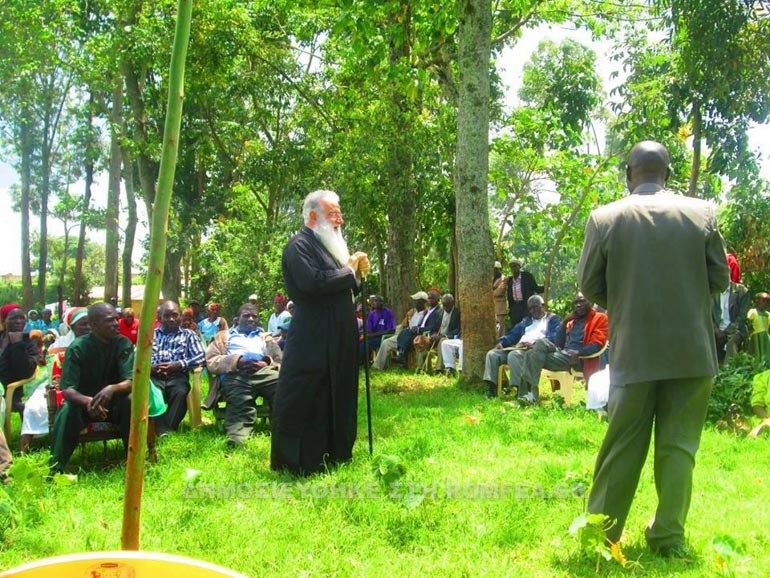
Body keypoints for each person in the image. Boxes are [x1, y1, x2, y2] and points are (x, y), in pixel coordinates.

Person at [578, 140, 730, 556]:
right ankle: (668, 538)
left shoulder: (604, 218)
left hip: (635, 351)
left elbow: (590, 285)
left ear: (629, 174)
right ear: (667, 173)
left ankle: (602, 536)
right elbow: (720, 279)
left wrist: (627, 300)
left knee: (622, 444)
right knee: (679, 447)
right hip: (693, 352)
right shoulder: (702, 214)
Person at [271, 189, 370, 475]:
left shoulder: (331, 246)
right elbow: (314, 283)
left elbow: (345, 288)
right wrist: (349, 271)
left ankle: (338, 452)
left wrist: (358, 275)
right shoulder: (297, 246)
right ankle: (300, 461)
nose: (339, 219)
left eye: (339, 212)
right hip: (312, 335)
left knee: (339, 390)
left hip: (340, 334)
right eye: (332, 213)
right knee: (307, 393)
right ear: (313, 216)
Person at [49, 303, 135, 472]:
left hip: (114, 404)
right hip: (83, 405)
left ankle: (134, 461)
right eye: (110, 321)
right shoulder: (78, 347)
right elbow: (68, 390)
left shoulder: (123, 343)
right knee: (67, 410)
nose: (116, 323)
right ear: (94, 325)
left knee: (131, 401)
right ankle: (55, 468)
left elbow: (131, 381)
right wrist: (89, 401)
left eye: (117, 319)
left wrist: (112, 389)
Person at [205, 303, 281, 447]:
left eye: (255, 316)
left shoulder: (266, 338)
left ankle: (287, 429)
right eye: (246, 316)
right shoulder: (223, 336)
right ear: (236, 320)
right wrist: (237, 361)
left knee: (283, 388)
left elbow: (280, 361)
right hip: (236, 374)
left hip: (264, 372)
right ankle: (237, 437)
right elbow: (211, 361)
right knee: (239, 399)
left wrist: (266, 362)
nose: (251, 319)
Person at [513, 292, 608, 402]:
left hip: (580, 359)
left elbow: (597, 345)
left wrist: (578, 353)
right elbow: (558, 343)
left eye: (582, 301)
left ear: (590, 302)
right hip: (563, 354)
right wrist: (565, 322)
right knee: (535, 348)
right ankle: (528, 395)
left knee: (532, 352)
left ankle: (529, 396)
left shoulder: (600, 318)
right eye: (576, 302)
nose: (578, 305)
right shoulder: (572, 321)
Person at [19, 307, 90, 453]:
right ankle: (24, 448)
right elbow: (54, 372)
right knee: (34, 406)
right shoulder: (59, 344)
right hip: (57, 382)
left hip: (87, 385)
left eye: (90, 323)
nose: (87, 327)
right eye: (83, 324)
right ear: (72, 325)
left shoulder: (97, 341)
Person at [482, 295, 561, 398]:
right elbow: (513, 334)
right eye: (530, 308)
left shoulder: (552, 319)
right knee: (492, 354)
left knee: (514, 355)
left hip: (533, 351)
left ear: (543, 306)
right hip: (519, 347)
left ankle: (520, 390)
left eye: (535, 307)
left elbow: (554, 337)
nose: (532, 311)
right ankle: (492, 389)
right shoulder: (526, 320)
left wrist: (534, 344)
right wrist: (502, 343)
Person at [151, 301, 206, 436]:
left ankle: (164, 429)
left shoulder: (188, 335)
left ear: (180, 317)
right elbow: (137, 356)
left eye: (175, 315)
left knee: (181, 392)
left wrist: (179, 364)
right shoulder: (150, 335)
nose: (171, 319)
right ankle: (164, 430)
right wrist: (150, 367)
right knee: (151, 393)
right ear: (159, 318)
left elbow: (201, 357)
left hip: (177, 376)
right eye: (167, 316)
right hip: (153, 376)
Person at [371, 292, 427, 370]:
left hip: (415, 337)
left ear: (423, 302)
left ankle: (401, 355)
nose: (415, 303)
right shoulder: (413, 312)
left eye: (417, 301)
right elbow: (403, 324)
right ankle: (377, 366)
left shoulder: (426, 313)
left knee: (405, 334)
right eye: (414, 301)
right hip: (405, 335)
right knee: (386, 342)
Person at [0, 304, 39, 414]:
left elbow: (25, 372)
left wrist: (17, 345)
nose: (18, 321)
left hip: (11, 391)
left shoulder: (28, 343)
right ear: (4, 321)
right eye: (13, 318)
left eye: (22, 318)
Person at [396, 290, 442, 365]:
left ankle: (401, 354)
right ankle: (402, 355)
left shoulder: (439, 311)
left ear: (437, 300)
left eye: (432, 298)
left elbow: (434, 327)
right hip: (419, 331)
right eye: (429, 298)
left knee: (406, 332)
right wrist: (417, 327)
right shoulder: (428, 311)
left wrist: (419, 329)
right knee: (406, 331)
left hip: (427, 334)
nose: (429, 300)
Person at [712, 279, 750, 364]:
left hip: (735, 330)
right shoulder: (712, 292)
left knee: (731, 343)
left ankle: (728, 371)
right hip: (716, 330)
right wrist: (716, 330)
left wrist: (727, 331)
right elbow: (707, 314)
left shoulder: (742, 291)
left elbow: (742, 317)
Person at [506, 259, 544, 328]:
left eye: (515, 266)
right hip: (515, 307)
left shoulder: (526, 276)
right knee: (515, 326)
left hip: (525, 306)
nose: (513, 268)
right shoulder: (510, 280)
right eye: (512, 267)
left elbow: (535, 288)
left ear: (519, 267)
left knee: (526, 325)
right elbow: (509, 295)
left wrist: (545, 287)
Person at [359, 295, 395, 363]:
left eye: (376, 301)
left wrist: (374, 335)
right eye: (374, 301)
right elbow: (369, 329)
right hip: (373, 337)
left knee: (366, 344)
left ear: (382, 303)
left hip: (384, 337)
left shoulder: (388, 313)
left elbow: (392, 330)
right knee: (360, 341)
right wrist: (366, 335)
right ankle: (363, 361)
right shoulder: (372, 314)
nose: (374, 303)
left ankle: (362, 362)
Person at [747, 292, 770, 363]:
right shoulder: (753, 312)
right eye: (763, 300)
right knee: (756, 355)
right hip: (756, 337)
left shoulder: (768, 314)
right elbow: (747, 324)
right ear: (757, 301)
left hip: (766, 338)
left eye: (767, 301)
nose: (765, 303)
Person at [492, 261, 508, 337]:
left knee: (500, 329)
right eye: (493, 269)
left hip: (500, 307)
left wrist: (489, 293)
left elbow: (499, 291)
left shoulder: (503, 279)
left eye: (496, 269)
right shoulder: (492, 279)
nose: (494, 271)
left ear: (500, 269)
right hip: (492, 307)